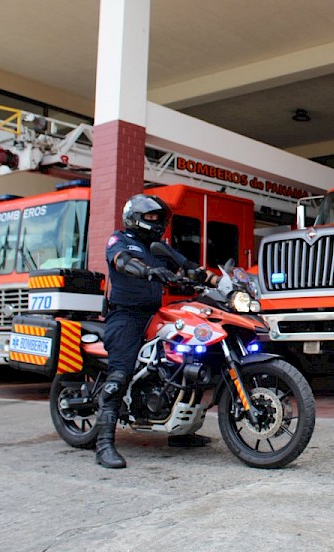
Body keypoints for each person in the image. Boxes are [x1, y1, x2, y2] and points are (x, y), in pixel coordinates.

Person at [95, 193, 219, 469]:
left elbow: (189, 268)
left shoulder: (159, 247)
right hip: (126, 315)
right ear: (134, 218)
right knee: (120, 373)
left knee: (186, 361)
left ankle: (179, 432)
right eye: (151, 217)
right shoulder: (120, 240)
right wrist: (149, 272)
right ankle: (103, 444)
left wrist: (219, 281)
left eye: (159, 218)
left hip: (156, 315)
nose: (156, 222)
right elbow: (122, 262)